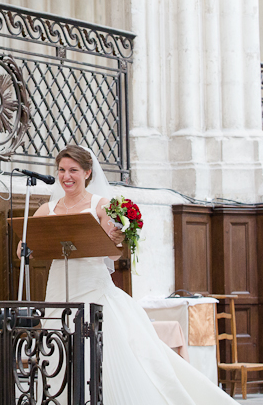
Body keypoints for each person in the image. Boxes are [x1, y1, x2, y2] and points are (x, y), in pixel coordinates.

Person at [24, 145, 238, 405]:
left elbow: (113, 256)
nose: (66, 176)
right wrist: (27, 246)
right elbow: (26, 249)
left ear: (88, 172)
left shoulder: (101, 206)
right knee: (58, 352)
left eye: (73, 170)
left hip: (93, 290)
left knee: (107, 357)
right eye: (61, 170)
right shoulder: (48, 209)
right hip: (58, 289)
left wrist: (117, 237)